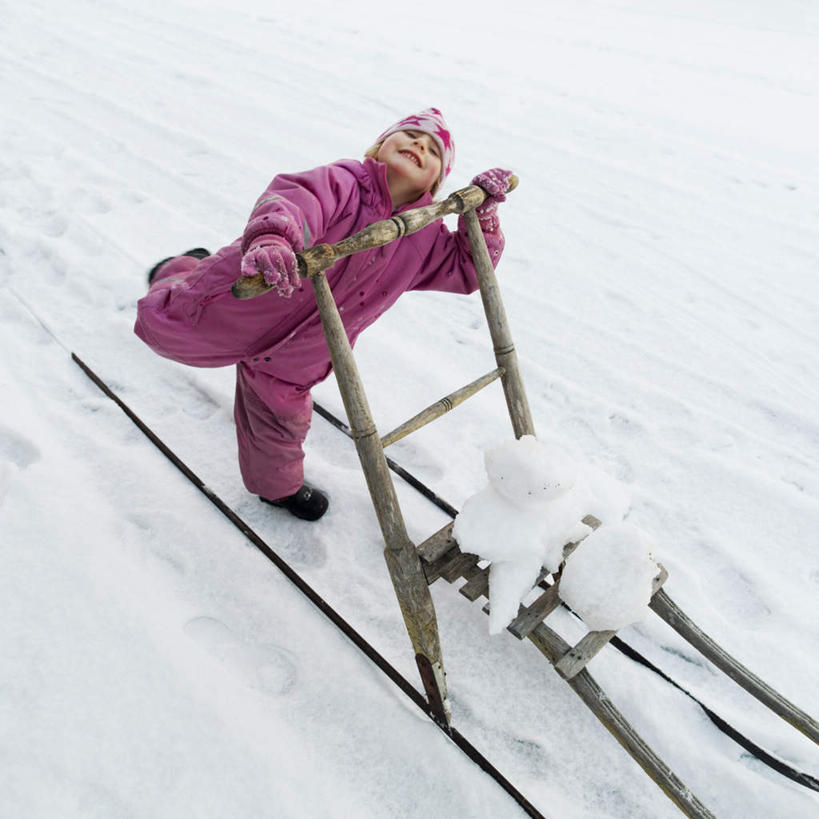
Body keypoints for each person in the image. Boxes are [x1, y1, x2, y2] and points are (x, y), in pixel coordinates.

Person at [134, 108, 512, 521]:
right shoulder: (344, 182)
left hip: (306, 352)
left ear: (437, 182)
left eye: (433, 149)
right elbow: (295, 200)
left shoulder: (425, 234)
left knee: (281, 420)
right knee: (162, 327)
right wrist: (273, 237)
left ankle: (277, 489)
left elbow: (468, 268)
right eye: (408, 135)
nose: (419, 144)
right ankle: (179, 270)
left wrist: (481, 217)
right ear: (379, 147)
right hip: (246, 298)